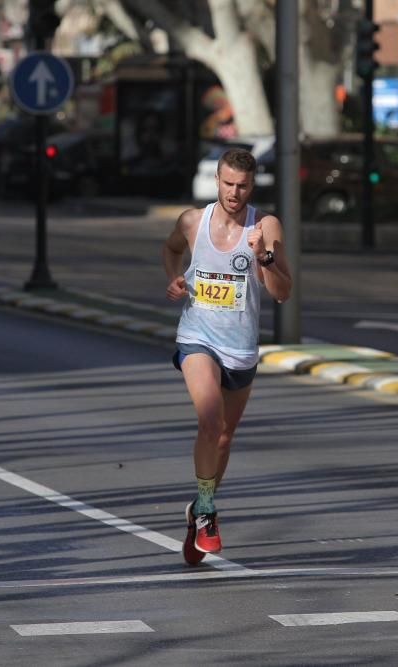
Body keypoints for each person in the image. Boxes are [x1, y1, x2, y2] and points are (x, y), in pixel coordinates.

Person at [162, 148, 292, 559]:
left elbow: (283, 292)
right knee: (209, 417)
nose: (235, 193)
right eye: (228, 184)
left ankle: (199, 505)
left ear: (252, 186)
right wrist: (174, 280)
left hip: (240, 348)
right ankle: (207, 515)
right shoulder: (191, 221)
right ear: (216, 181)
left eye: (243, 186)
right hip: (197, 336)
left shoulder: (265, 225)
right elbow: (171, 250)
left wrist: (263, 257)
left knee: (222, 437)